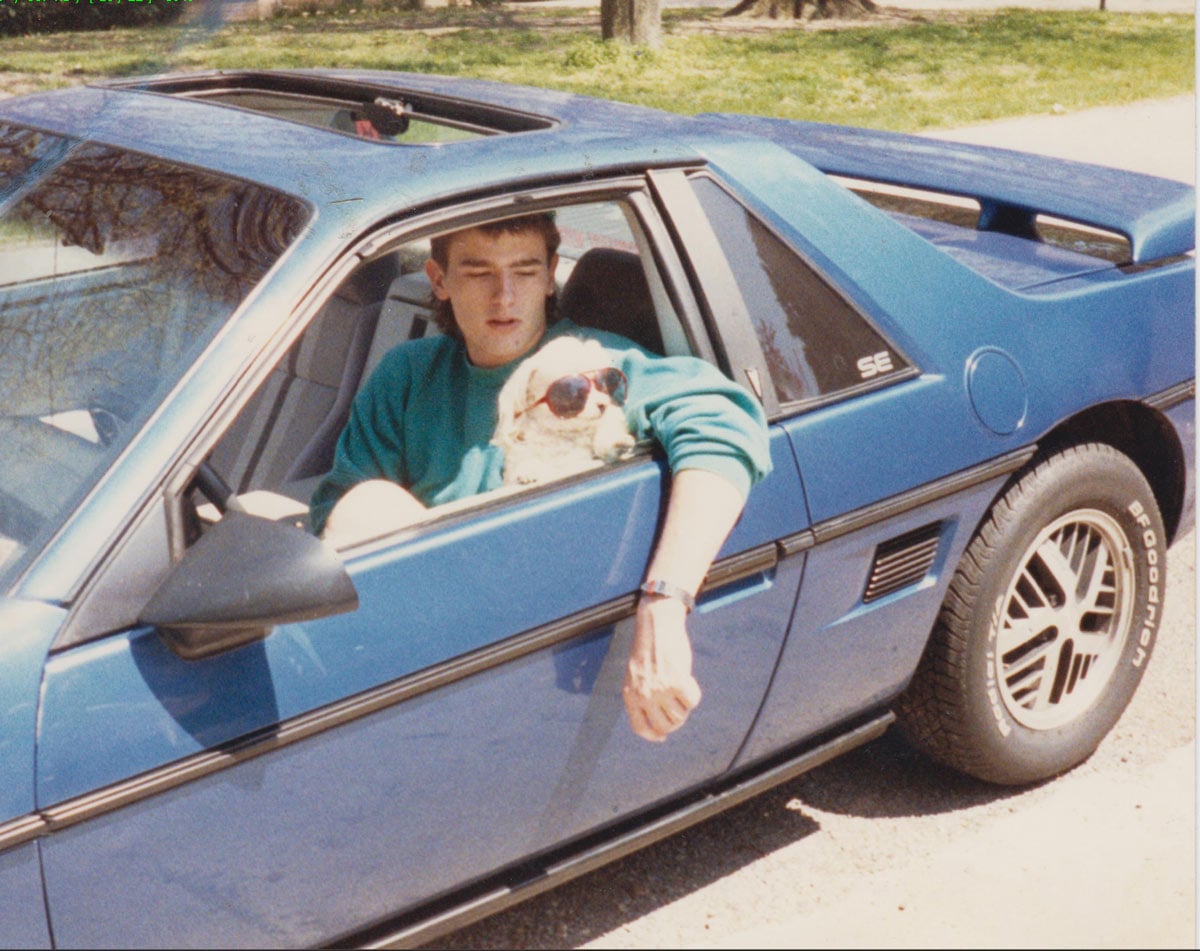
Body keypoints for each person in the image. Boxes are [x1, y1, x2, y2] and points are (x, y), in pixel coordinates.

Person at [309, 212, 772, 742]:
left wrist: (664, 605)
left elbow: (728, 427)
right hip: (431, 648)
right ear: (439, 280)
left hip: (538, 650)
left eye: (524, 271)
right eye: (479, 273)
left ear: (550, 273)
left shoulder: (597, 367)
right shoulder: (409, 372)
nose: (504, 296)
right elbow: (341, 512)